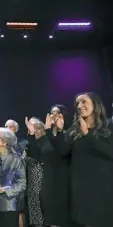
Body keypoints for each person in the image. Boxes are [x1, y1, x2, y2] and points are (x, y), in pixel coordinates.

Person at [51, 92, 113, 227]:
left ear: (95, 105)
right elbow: (63, 151)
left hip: (101, 189)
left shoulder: (107, 128)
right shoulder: (74, 131)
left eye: (84, 102)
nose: (79, 106)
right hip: (79, 188)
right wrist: (60, 132)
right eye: (77, 103)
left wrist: (87, 134)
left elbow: (109, 152)